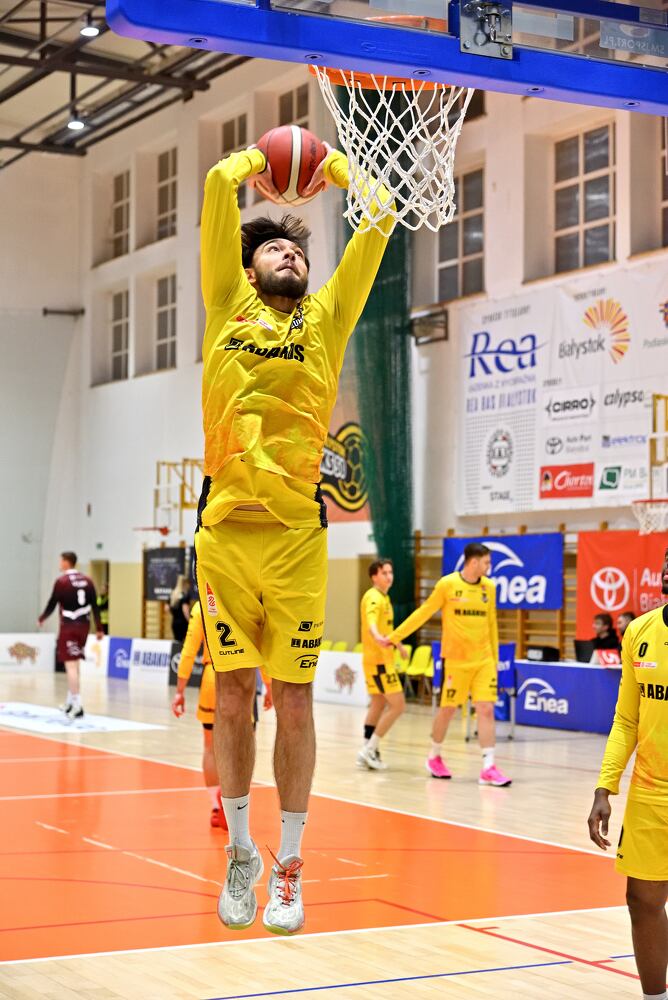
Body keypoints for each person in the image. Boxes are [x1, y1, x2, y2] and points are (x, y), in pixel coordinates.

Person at [196, 136, 394, 934]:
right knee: (233, 694)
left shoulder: (328, 318)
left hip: (297, 540)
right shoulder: (224, 302)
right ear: (248, 270)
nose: (290, 255)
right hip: (224, 534)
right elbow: (218, 181)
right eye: (275, 248)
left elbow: (380, 214)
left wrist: (334, 167)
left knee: (296, 699)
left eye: (299, 250)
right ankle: (241, 850)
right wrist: (267, 159)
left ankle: (291, 863)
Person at [588, 546, 668, 1000]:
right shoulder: (639, 631)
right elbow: (626, 720)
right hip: (651, 792)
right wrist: (605, 785)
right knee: (642, 900)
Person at [388, 542, 511, 787]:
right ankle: (434, 756)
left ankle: (488, 766)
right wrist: (395, 637)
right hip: (456, 662)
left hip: (484, 660)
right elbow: (423, 613)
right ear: (473, 562)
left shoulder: (489, 587)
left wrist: (495, 661)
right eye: (487, 562)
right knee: (448, 710)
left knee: (486, 708)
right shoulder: (447, 585)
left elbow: (492, 625)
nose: (490, 566)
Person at [171, 600, 227, 830]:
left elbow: (188, 651)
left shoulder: (201, 605)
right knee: (241, 748)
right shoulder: (244, 595)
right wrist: (268, 683)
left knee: (210, 747)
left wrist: (179, 691)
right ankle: (235, 806)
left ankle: (216, 806)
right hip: (241, 678)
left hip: (212, 677)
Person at [38, 551, 103, 719]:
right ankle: (70, 701)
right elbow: (95, 606)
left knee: (71, 666)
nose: (59, 564)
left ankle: (78, 705)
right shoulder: (88, 580)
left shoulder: (62, 581)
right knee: (75, 663)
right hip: (84, 627)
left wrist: (42, 618)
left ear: (67, 562)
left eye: (61, 561)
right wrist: (99, 628)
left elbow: (52, 603)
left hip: (69, 627)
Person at [357, 559, 408, 771]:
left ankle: (367, 749)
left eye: (390, 572)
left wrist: (399, 645)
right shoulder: (373, 597)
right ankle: (369, 749)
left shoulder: (385, 598)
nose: (389, 576)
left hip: (379, 659)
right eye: (384, 573)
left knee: (377, 703)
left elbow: (386, 628)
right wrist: (377, 636)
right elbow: (371, 622)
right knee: (398, 705)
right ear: (374, 576)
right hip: (379, 662)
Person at [169, 575, 191, 642]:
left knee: (177, 642)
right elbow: (185, 610)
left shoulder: (173, 594)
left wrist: (175, 614)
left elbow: (166, 608)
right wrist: (190, 621)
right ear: (185, 584)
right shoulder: (185, 595)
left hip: (175, 623)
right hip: (183, 624)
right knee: (185, 643)